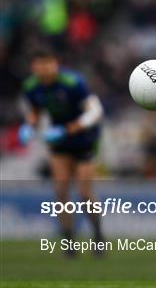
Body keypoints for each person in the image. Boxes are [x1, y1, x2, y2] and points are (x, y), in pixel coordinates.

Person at [18, 47, 104, 256]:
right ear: (33, 67)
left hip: (84, 139)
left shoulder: (73, 83)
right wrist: (30, 124)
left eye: (48, 64)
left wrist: (68, 129)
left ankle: (97, 235)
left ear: (56, 63)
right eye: (39, 65)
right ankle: (69, 240)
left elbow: (95, 111)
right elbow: (36, 111)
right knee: (61, 190)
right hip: (59, 142)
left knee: (84, 193)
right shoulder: (31, 87)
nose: (44, 69)